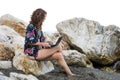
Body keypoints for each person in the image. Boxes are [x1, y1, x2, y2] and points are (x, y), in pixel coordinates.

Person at [24, 8, 75, 77]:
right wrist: (42, 44)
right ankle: (64, 67)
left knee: (59, 55)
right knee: (58, 47)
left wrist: (46, 42)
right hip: (32, 53)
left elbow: (41, 40)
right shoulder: (30, 27)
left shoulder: (39, 27)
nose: (44, 19)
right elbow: (28, 42)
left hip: (39, 51)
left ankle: (69, 74)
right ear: (39, 17)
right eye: (43, 18)